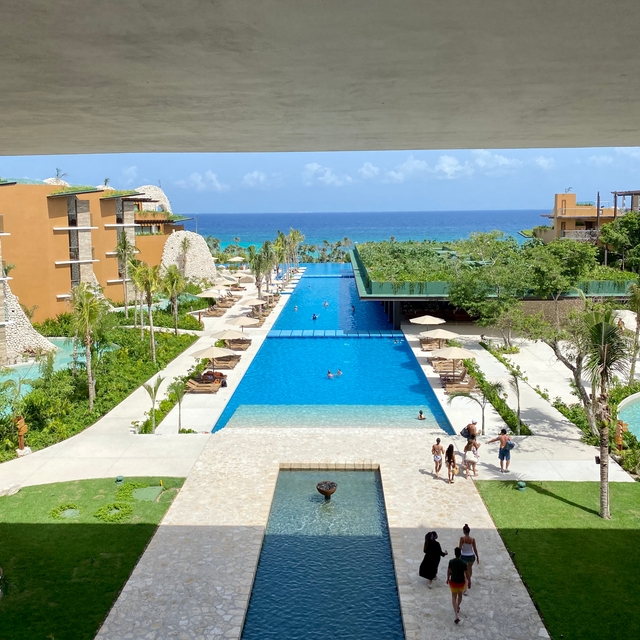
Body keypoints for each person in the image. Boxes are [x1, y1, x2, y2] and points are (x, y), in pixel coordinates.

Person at [446, 548, 468, 624]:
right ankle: (458, 606)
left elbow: (449, 571)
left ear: (455, 553)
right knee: (460, 596)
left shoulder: (451, 562)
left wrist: (447, 578)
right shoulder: (464, 563)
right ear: (460, 554)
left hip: (453, 581)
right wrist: (469, 581)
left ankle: (456, 614)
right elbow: (466, 573)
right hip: (461, 581)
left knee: (453, 597)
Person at [459, 524, 480, 589]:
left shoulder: (462, 539)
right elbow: (475, 549)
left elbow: (459, 548)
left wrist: (458, 557)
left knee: (464, 571)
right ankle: (468, 580)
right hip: (471, 556)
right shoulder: (472, 539)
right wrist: (477, 557)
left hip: (464, 556)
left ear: (464, 531)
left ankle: (465, 585)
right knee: (470, 569)